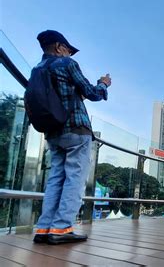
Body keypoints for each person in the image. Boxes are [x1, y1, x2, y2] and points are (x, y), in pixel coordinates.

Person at [32, 30, 111, 245]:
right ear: (59, 47)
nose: (69, 54)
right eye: (68, 49)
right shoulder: (66, 64)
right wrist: (103, 83)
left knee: (56, 178)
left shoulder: (38, 69)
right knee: (74, 178)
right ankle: (61, 228)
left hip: (53, 132)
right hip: (76, 129)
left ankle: (43, 227)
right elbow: (92, 93)